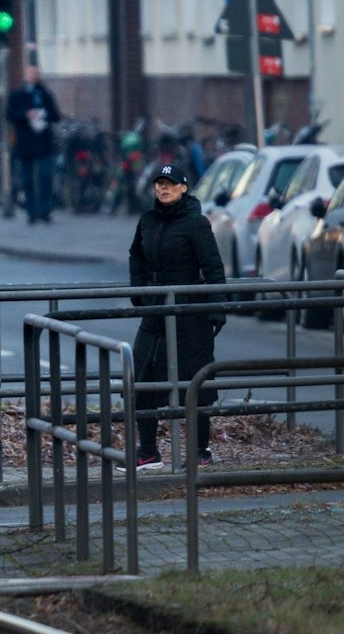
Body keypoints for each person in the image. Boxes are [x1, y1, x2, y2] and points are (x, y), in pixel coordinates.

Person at [129, 164, 226, 469]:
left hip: (189, 313)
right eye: (159, 183)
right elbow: (136, 255)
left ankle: (200, 451)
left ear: (184, 188)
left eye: (170, 183)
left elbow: (213, 267)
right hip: (155, 310)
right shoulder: (147, 221)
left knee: (194, 380)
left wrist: (215, 310)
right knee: (141, 375)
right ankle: (148, 451)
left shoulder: (196, 223)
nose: (164, 188)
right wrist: (139, 292)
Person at [5, 64, 62, 223]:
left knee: (45, 175)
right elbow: (10, 115)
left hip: (43, 141)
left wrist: (44, 115)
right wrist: (26, 115)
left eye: (36, 74)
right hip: (25, 143)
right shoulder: (17, 95)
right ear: (26, 76)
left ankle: (45, 210)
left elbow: (55, 115)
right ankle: (31, 211)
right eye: (31, 74)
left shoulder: (45, 94)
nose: (34, 77)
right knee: (27, 179)